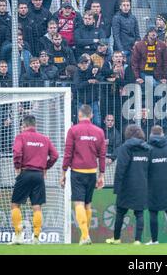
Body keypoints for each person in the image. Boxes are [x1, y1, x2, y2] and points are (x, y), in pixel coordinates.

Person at [9, 114, 59, 245]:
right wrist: (45, 167)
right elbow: (55, 155)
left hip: (25, 172)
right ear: (35, 125)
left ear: (24, 126)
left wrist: (17, 167)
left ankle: (18, 235)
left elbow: (17, 152)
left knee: (15, 204)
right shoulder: (44, 139)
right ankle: (36, 238)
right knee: (37, 207)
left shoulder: (20, 137)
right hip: (39, 175)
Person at [61, 104, 106, 245]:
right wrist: (102, 174)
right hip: (92, 172)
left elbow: (68, 153)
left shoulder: (73, 130)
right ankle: (85, 236)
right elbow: (102, 155)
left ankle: (85, 235)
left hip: (77, 172)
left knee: (79, 203)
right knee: (88, 204)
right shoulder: (99, 131)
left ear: (79, 115)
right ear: (92, 115)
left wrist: (63, 172)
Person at [106, 124, 151, 245]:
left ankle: (116, 239)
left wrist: (117, 187)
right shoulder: (148, 148)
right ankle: (137, 240)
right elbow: (150, 169)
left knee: (120, 212)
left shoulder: (125, 148)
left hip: (126, 186)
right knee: (139, 213)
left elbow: (121, 168)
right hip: (142, 185)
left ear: (128, 134)